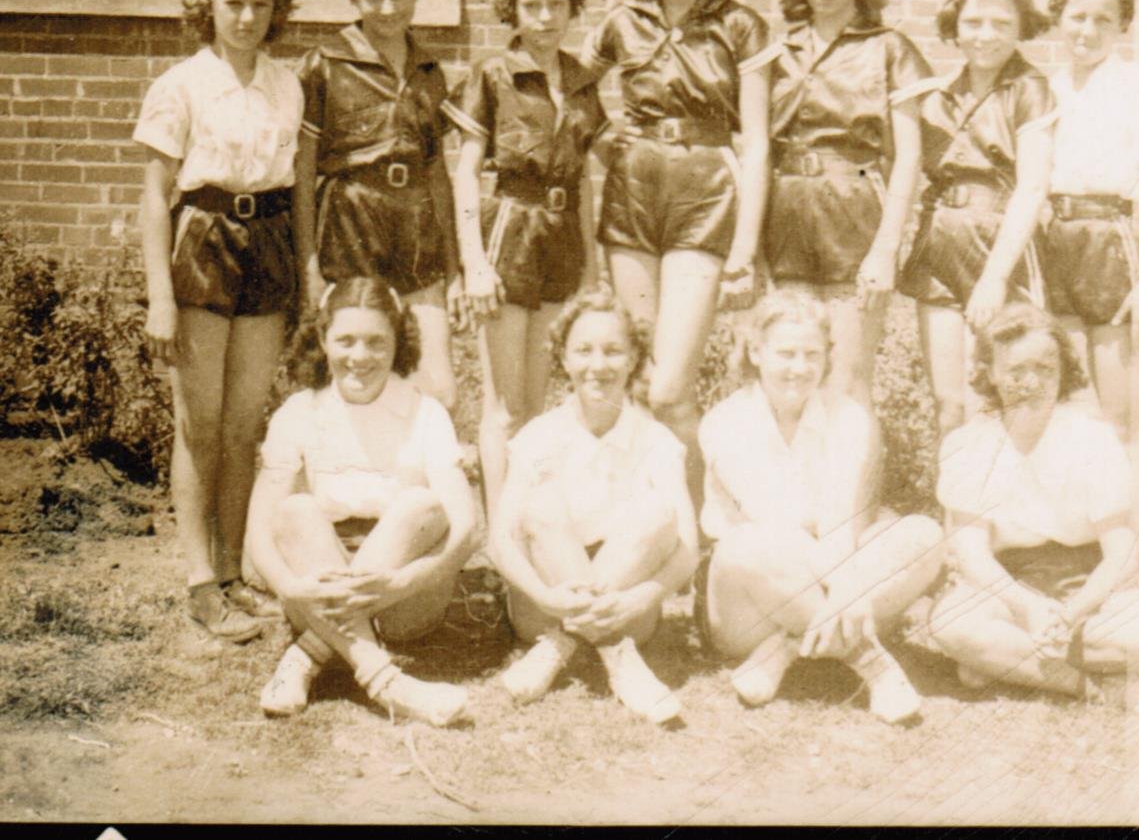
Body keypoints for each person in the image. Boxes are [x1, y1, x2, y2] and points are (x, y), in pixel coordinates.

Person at [580, 0, 770, 511]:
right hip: (633, 193)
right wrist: (608, 138)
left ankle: (697, 528)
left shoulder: (740, 24)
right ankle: (639, 519)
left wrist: (745, 247)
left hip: (706, 194)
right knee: (636, 383)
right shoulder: (622, 21)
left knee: (669, 391)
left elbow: (760, 139)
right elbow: (568, 90)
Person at [137, 0, 303, 642]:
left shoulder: (286, 84)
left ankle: (234, 571)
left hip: (265, 242)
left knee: (243, 424)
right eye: (232, 2)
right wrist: (160, 296)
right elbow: (153, 198)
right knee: (199, 424)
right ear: (208, 5)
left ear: (276, 11)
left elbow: (293, 189)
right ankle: (199, 581)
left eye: (260, 5)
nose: (245, 17)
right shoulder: (181, 83)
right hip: (202, 241)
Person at [697, 289, 944, 723]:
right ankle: (870, 661)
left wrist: (845, 585)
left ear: (826, 357)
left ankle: (787, 647)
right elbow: (778, 525)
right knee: (747, 544)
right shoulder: (725, 422)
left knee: (924, 535)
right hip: (748, 598)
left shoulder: (848, 416)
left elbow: (839, 517)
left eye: (811, 355)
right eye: (786, 353)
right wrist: (848, 588)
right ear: (756, 351)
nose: (799, 368)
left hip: (830, 570)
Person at [927, 304, 1139, 715]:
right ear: (990, 372)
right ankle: (1094, 688)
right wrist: (1027, 607)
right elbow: (973, 554)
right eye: (1016, 370)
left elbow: (1122, 555)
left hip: (1085, 587)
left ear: (1063, 371)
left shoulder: (1092, 439)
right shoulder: (968, 444)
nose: (1032, 382)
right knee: (949, 623)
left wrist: (1071, 612)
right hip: (1007, 590)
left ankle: (1003, 662)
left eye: (1046, 369)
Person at [246, 277, 475, 724]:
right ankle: (385, 680)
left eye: (376, 342)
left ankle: (307, 655)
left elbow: (465, 528)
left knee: (419, 506)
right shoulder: (298, 412)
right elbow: (259, 530)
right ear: (322, 339)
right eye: (346, 340)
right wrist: (292, 588)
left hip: (405, 597)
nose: (360, 357)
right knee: (295, 510)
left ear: (397, 343)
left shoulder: (425, 412)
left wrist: (402, 582)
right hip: (318, 581)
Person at [445, 0, 606, 514]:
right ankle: (499, 534)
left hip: (561, 239)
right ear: (512, 11)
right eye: (532, 6)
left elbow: (583, 178)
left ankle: (529, 524)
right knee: (504, 406)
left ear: (572, 7)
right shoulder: (492, 75)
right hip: (509, 231)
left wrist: (591, 266)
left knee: (538, 405)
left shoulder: (585, 81)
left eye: (556, 5)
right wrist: (474, 263)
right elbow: (465, 171)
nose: (545, 17)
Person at [490, 288, 699, 723]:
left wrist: (641, 597)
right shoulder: (538, 436)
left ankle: (564, 644)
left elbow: (688, 551)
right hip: (543, 605)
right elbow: (500, 542)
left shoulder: (657, 441)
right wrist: (546, 595)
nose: (598, 366)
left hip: (629, 609)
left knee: (659, 512)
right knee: (542, 503)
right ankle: (616, 655)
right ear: (563, 358)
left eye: (613, 351)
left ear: (633, 358)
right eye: (583, 350)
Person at [758, 0, 931, 405]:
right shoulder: (779, 51)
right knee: (789, 382)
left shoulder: (888, 48)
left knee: (847, 387)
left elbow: (909, 156)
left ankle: (854, 486)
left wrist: (886, 248)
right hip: (787, 221)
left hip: (853, 219)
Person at [1045, 0, 1139, 584]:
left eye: (1104, 18)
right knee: (1077, 416)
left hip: (1117, 242)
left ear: (1123, 24)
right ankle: (1092, 563)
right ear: (1058, 17)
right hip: (1058, 243)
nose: (1089, 29)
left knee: (1128, 420)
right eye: (1078, 14)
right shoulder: (1048, 87)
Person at [295, 0, 462, 410]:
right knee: (349, 385)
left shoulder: (429, 70)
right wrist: (309, 267)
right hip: (349, 229)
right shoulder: (323, 64)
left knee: (438, 390)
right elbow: (303, 176)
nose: (387, 8)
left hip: (416, 236)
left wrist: (453, 270)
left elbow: (439, 177)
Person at [898, 0, 1057, 436]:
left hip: (999, 247)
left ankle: (1002, 509)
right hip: (940, 244)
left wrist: (994, 278)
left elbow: (1031, 188)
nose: (985, 36)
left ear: (1020, 27)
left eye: (1000, 24)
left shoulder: (1030, 89)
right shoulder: (939, 93)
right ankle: (956, 511)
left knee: (996, 397)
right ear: (955, 24)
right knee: (948, 402)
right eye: (973, 22)